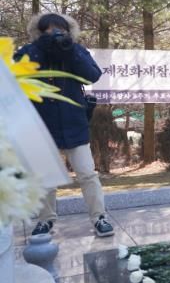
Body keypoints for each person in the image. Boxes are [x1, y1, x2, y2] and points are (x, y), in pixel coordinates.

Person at [14, 13, 113, 237]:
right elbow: (15, 75)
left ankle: (99, 217)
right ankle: (45, 220)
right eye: (48, 30)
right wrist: (41, 47)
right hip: (42, 127)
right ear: (39, 33)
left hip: (74, 123)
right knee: (45, 178)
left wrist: (70, 50)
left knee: (87, 174)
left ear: (69, 31)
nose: (55, 34)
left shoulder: (75, 50)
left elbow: (93, 75)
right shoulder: (30, 51)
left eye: (60, 30)